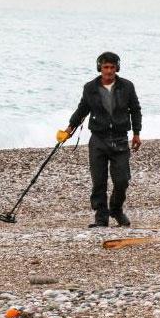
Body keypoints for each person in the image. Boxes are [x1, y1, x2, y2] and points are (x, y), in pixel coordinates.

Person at [61, 52, 142, 228]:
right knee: (99, 181)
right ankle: (101, 217)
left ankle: (116, 209)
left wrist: (137, 133)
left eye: (112, 67)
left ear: (117, 68)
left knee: (122, 180)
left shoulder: (127, 86)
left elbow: (135, 109)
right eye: (105, 67)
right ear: (100, 68)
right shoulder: (90, 87)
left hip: (120, 139)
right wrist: (69, 129)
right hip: (98, 139)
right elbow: (82, 109)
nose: (109, 71)